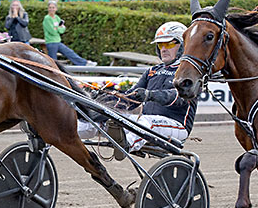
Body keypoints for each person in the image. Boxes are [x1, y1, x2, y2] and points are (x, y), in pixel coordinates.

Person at [78, 22, 197, 159]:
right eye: (160, 45)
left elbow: (177, 97)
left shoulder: (188, 73)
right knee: (107, 118)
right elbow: (130, 99)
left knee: (147, 122)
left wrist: (149, 95)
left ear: (182, 45)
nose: (164, 49)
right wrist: (103, 100)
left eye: (169, 44)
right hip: (147, 123)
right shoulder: (152, 71)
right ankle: (66, 135)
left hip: (176, 126)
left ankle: (125, 145)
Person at [42, 1, 95, 67]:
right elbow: (52, 31)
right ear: (48, 8)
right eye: (50, 7)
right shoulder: (47, 18)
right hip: (51, 42)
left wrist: (57, 28)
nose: (51, 9)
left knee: (70, 53)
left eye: (53, 7)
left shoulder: (57, 17)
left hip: (58, 41)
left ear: (56, 9)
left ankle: (85, 63)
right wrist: (58, 28)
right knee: (53, 61)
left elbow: (62, 30)